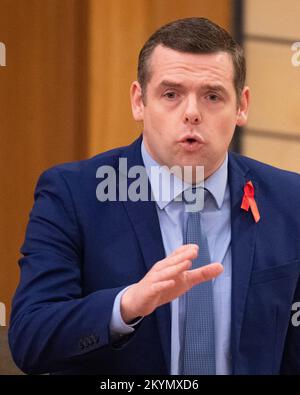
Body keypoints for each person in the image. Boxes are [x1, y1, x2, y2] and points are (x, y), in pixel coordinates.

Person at [9, 17, 300, 375]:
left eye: (212, 96)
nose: (191, 113)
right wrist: (126, 305)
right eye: (171, 94)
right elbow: (30, 337)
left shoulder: (289, 200)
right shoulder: (74, 195)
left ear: (241, 105)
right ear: (139, 101)